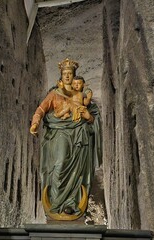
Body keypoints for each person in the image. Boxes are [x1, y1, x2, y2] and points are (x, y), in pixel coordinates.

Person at [30, 58, 102, 219]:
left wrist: (88, 116)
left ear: (74, 76)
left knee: (78, 172)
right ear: (61, 76)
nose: (67, 76)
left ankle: (71, 203)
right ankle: (56, 204)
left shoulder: (81, 95)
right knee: (60, 164)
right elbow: (41, 109)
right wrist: (35, 123)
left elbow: (92, 120)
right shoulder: (54, 94)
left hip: (79, 136)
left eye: (70, 74)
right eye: (65, 74)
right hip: (60, 133)